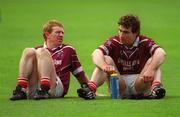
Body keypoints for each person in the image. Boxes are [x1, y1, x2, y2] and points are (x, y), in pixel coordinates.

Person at [10, 19, 95, 101]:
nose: (61, 35)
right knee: (28, 51)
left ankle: (45, 87)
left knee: (42, 51)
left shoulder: (68, 50)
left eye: (62, 33)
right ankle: (21, 89)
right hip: (35, 90)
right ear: (47, 34)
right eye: (58, 32)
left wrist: (91, 88)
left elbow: (80, 74)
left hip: (56, 88)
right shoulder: (37, 50)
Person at [88, 14, 166, 99]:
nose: (121, 35)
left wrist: (151, 69)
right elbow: (96, 53)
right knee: (105, 59)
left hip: (139, 83)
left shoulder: (145, 41)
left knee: (154, 61)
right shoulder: (114, 41)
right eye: (120, 30)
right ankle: (90, 90)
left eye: (125, 32)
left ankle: (156, 89)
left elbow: (161, 52)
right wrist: (104, 66)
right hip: (119, 85)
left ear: (135, 33)